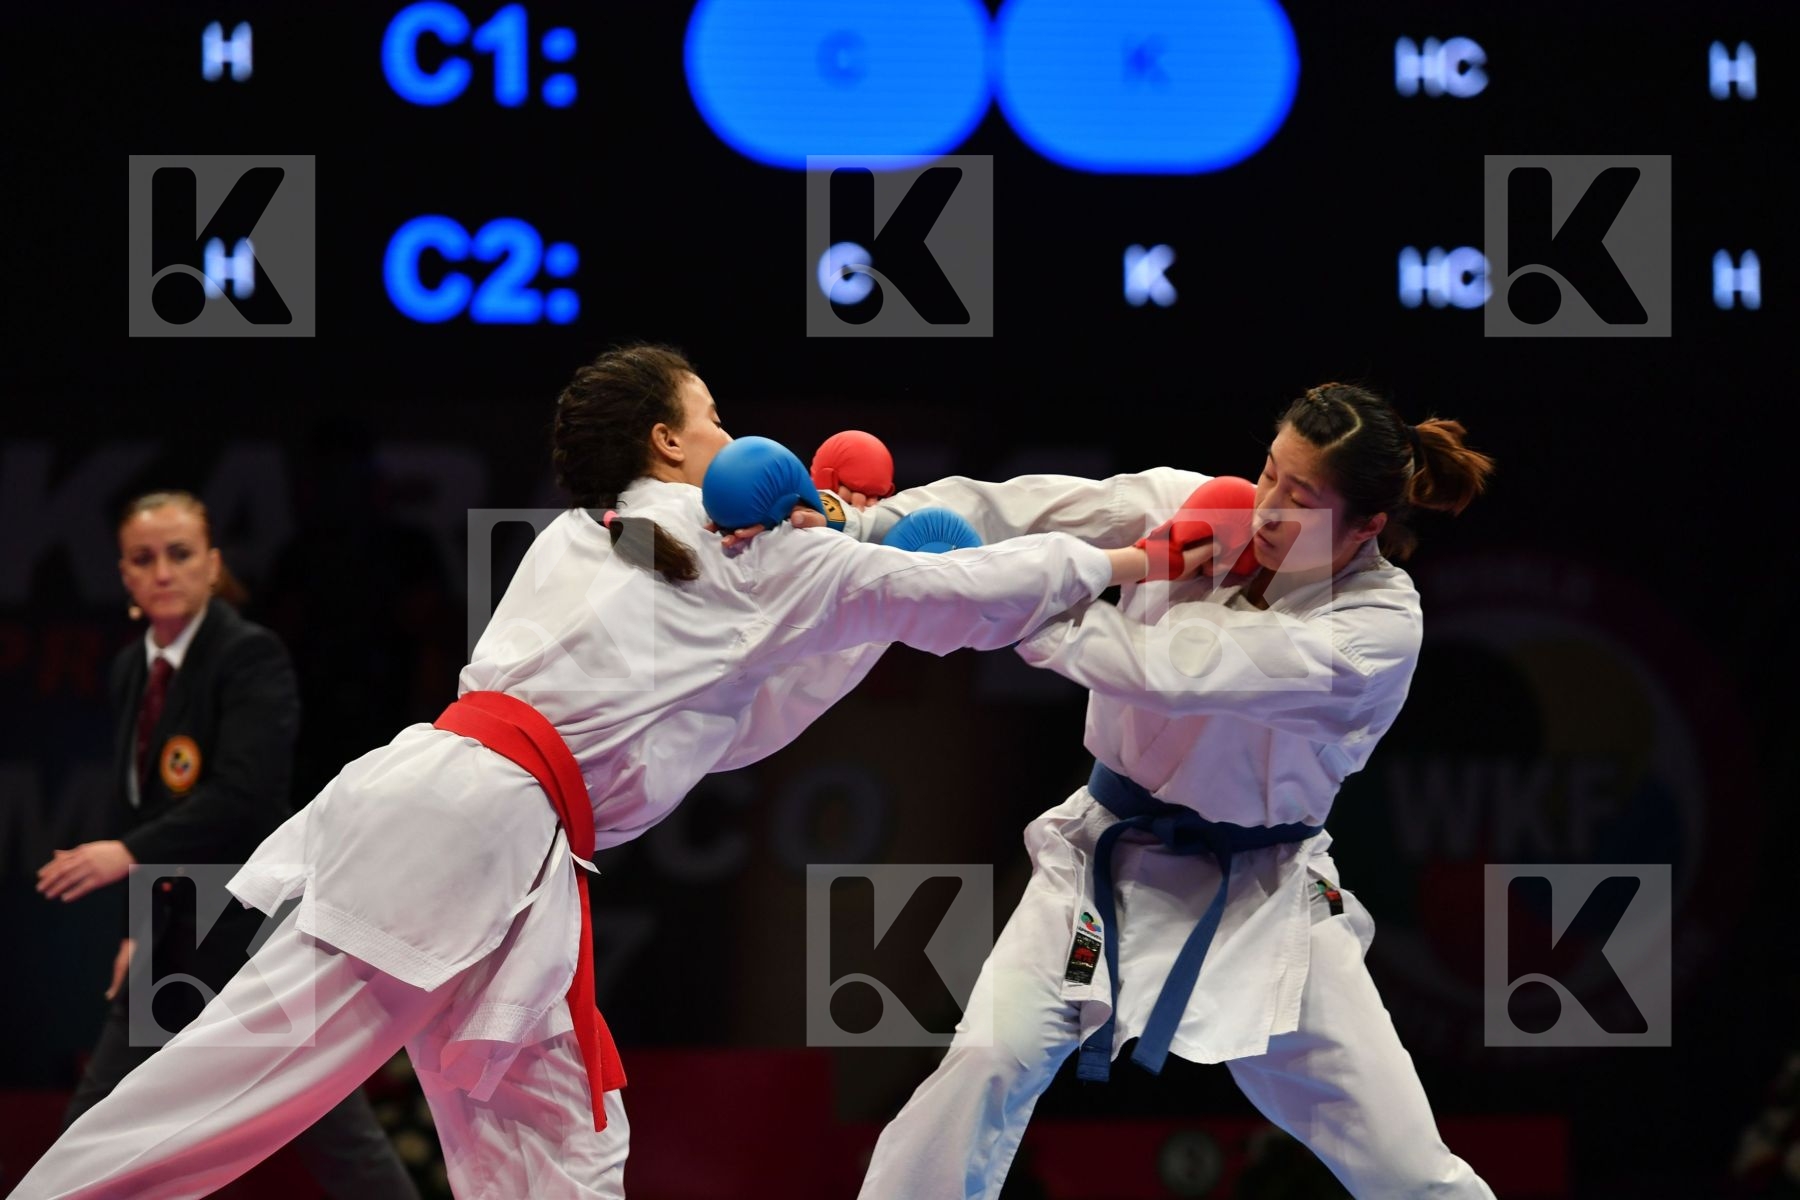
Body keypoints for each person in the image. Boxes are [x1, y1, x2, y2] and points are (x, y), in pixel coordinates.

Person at [12, 344, 1176, 1200]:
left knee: (557, 1154)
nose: (728, 432)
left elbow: (743, 712)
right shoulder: (741, 552)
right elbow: (952, 600)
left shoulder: (591, 534)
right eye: (712, 415)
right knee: (223, 1090)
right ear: (670, 442)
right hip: (460, 835)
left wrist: (844, 573)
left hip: (504, 852)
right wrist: (1128, 557)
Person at [847, 383, 1499, 1198]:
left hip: (1265, 900)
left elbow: (1174, 670)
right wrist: (866, 525)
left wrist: (1007, 603)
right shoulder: (1197, 509)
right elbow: (1029, 511)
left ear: (1367, 526)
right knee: (982, 1066)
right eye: (1268, 472)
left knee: (1405, 1167)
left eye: (1299, 498)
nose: (1265, 507)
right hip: (1099, 867)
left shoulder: (1376, 627)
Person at [32, 490, 421, 1199]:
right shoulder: (131, 672)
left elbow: (245, 797)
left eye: (180, 554)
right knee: (92, 1127)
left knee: (336, 1132)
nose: (162, 571)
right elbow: (140, 806)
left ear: (213, 565)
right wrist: (134, 930)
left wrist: (124, 854)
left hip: (251, 931)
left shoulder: (249, 657)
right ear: (123, 574)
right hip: (171, 932)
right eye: (143, 559)